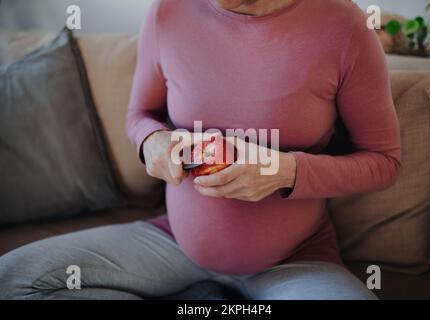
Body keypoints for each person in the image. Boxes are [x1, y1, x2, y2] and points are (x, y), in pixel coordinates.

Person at [0, 0, 400, 300]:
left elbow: (384, 162)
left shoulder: (344, 26)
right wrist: (151, 140)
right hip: (172, 244)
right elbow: (140, 114)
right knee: (14, 277)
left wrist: (287, 172)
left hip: (296, 261)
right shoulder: (168, 13)